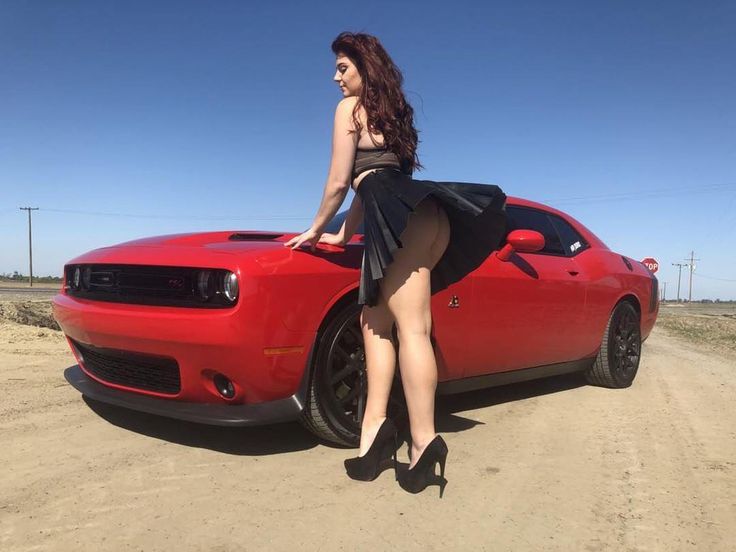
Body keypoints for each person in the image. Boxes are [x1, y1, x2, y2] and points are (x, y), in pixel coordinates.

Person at [284, 32, 506, 497]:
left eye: (343, 67)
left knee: (411, 329)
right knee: (374, 324)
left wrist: (314, 227)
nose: (335, 77)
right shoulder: (395, 114)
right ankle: (375, 434)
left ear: (365, 66)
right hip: (424, 219)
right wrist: (344, 234)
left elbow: (341, 181)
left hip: (402, 223)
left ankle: (424, 443)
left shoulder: (349, 110)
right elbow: (376, 181)